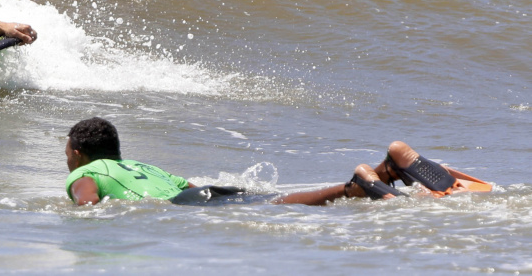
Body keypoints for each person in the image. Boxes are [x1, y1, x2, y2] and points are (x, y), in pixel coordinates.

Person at [65, 117, 489, 207]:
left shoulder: (85, 172)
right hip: (197, 191)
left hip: (189, 203)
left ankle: (355, 186)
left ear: (79, 153)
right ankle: (386, 170)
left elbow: (87, 205)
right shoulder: (142, 165)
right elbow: (185, 182)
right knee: (274, 199)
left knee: (280, 205)